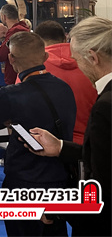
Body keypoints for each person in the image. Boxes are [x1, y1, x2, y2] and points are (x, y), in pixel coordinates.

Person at [24, 17, 111, 237]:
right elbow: (104, 156)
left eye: (77, 60)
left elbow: (102, 190)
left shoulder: (106, 106)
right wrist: (61, 147)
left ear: (93, 57)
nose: (76, 66)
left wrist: (57, 208)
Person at [0, 31, 76, 237]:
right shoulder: (65, 89)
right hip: (59, 179)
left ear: (11, 59)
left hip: (23, 182)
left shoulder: (10, 94)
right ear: (45, 57)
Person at [28, 20, 97, 145]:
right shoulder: (92, 64)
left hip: (46, 144)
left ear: (37, 41)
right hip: (90, 143)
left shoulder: (31, 67)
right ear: (65, 38)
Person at [0, 4, 30, 85]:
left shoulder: (14, 31)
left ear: (4, 17)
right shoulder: (24, 28)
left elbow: (1, 55)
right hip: (25, 75)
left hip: (15, 78)